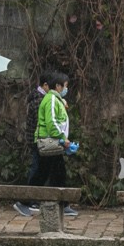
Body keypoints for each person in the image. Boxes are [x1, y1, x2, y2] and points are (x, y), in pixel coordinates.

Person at [16, 69, 79, 217]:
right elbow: (51, 122)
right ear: (57, 86)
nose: (66, 89)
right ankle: (59, 204)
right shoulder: (50, 99)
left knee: (46, 173)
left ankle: (59, 204)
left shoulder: (54, 99)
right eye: (65, 85)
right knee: (53, 173)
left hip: (52, 141)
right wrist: (64, 138)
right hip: (50, 141)